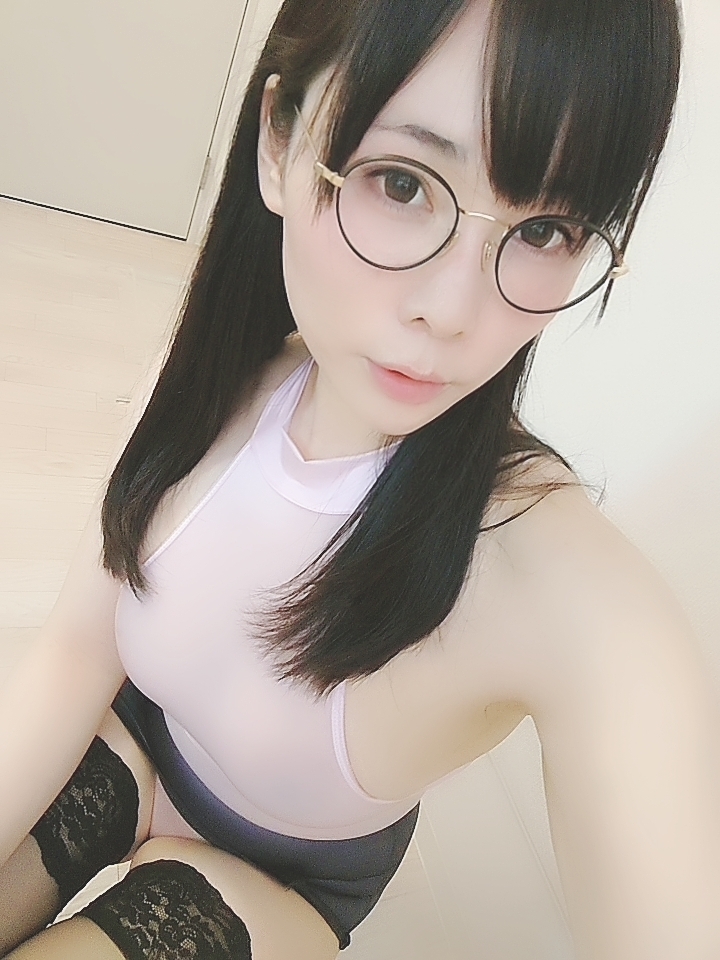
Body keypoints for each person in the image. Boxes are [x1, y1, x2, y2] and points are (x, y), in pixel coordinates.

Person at [1, 0, 719, 958]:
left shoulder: (554, 583)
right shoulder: (212, 383)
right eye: (401, 182)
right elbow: (74, 656)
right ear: (280, 141)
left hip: (276, 882)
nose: (452, 309)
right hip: (128, 739)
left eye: (548, 229)